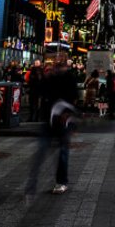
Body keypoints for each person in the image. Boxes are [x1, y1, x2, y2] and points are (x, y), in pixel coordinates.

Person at [26, 60, 78, 196]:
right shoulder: (50, 78)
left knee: (61, 152)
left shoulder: (69, 78)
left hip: (62, 120)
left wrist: (69, 118)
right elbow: (41, 91)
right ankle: (33, 182)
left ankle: (61, 181)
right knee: (43, 150)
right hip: (49, 119)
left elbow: (73, 98)